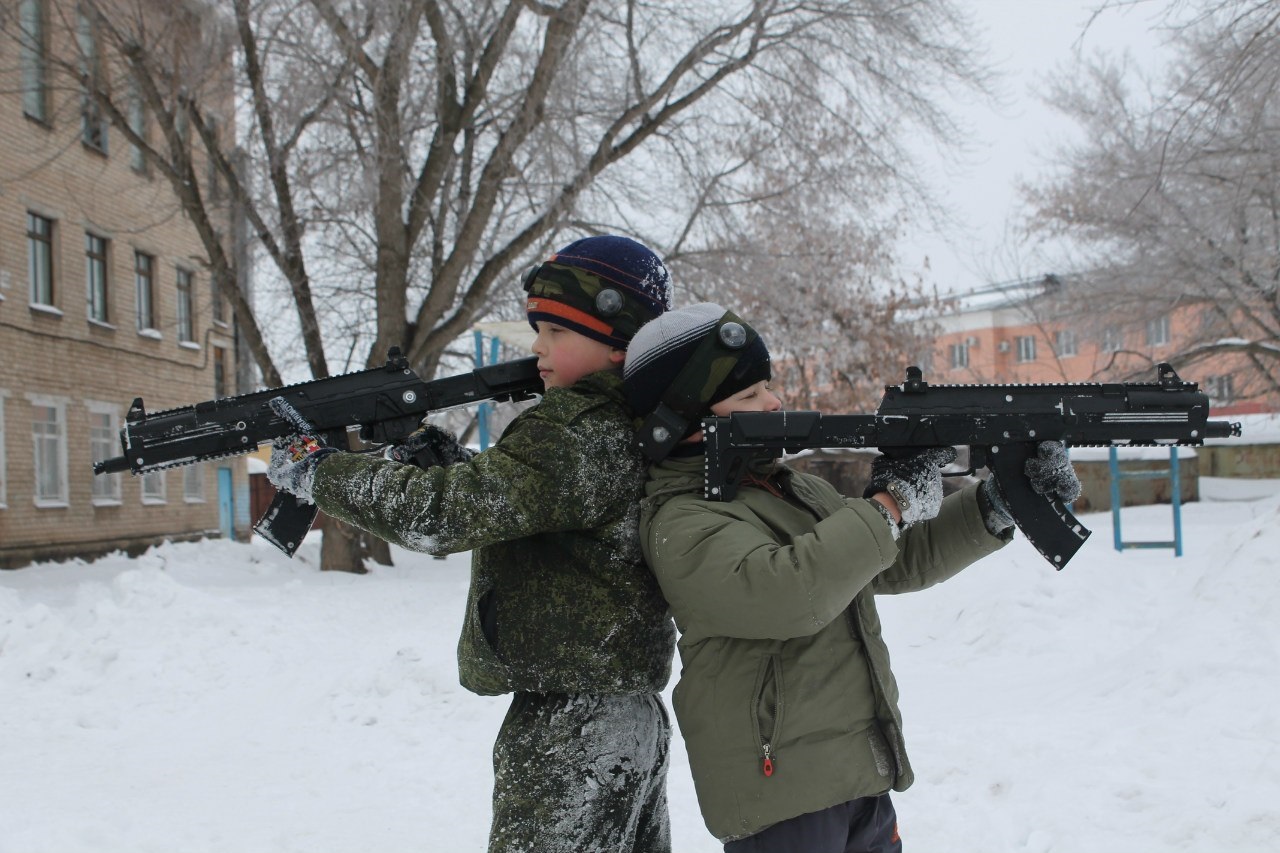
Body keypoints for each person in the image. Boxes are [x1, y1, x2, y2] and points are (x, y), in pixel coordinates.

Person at [267, 235, 678, 853]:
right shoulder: (626, 426)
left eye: (556, 332)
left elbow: (442, 515)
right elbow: (525, 506)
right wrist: (439, 458)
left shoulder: (573, 431)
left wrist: (316, 471)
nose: (537, 347)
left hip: (572, 726)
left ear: (618, 341)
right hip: (622, 711)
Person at [622, 303, 1082, 853]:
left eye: (768, 386)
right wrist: (890, 504)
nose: (773, 402)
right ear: (682, 420)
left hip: (857, 772)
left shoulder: (791, 489)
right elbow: (786, 595)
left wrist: (997, 503)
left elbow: (891, 557)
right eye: (748, 395)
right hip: (781, 793)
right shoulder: (682, 519)